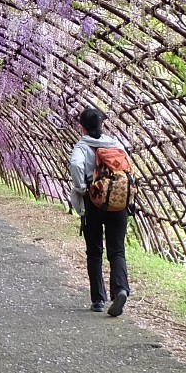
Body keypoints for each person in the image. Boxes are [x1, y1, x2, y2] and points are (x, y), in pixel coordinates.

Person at [69, 107, 131, 315]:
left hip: (93, 203)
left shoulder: (82, 147)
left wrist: (81, 188)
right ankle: (121, 289)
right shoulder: (115, 144)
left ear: (82, 127)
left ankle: (98, 300)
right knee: (117, 250)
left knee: (94, 251)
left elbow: (76, 165)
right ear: (101, 124)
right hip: (118, 203)